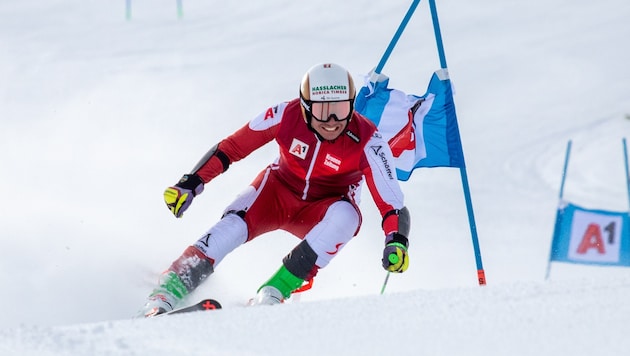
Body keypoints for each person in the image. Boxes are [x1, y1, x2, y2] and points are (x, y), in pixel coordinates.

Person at [138, 63, 411, 317]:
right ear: (305, 106)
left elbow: (392, 204)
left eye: (340, 109)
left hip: (325, 208)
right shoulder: (285, 115)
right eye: (321, 110)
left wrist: (396, 241)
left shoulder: (367, 138)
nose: (332, 120)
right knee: (231, 226)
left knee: (348, 217)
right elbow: (232, 148)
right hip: (275, 193)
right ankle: (169, 289)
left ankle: (274, 291)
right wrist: (190, 183)